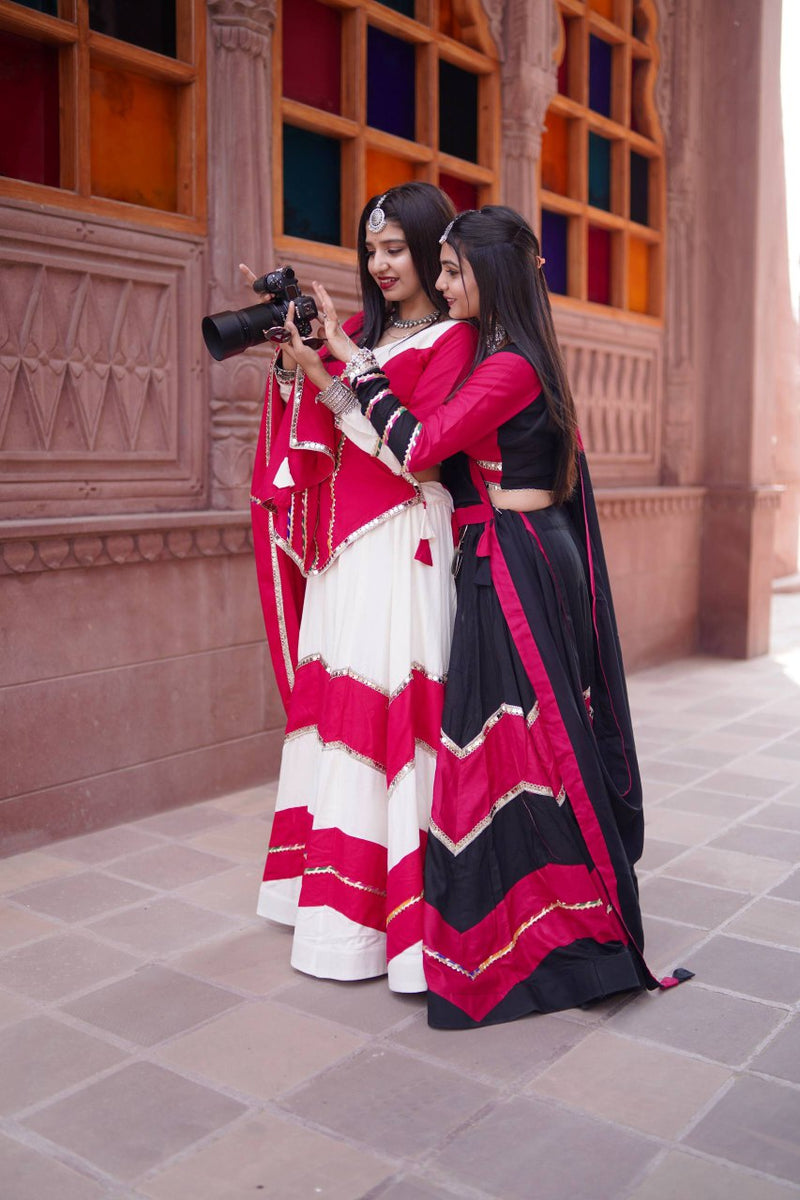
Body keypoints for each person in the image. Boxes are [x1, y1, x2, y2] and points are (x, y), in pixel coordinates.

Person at [288, 204, 691, 1028]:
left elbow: (421, 442)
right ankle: (518, 912)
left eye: (452, 270)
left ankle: (570, 924)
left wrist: (351, 364)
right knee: (505, 740)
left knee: (533, 736)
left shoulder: (507, 365)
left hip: (517, 557)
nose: (439, 283)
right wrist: (346, 360)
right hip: (501, 550)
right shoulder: (506, 353)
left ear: (489, 275)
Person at [250, 182, 477, 993]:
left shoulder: (456, 341)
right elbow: (312, 439)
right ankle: (332, 917)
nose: (380, 264)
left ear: (428, 249)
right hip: (346, 557)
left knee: (391, 719)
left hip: (404, 542)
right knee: (337, 718)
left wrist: (338, 375)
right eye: (370, 251)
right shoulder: (356, 333)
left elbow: (410, 454)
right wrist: (292, 370)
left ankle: (400, 933)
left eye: (395, 249)